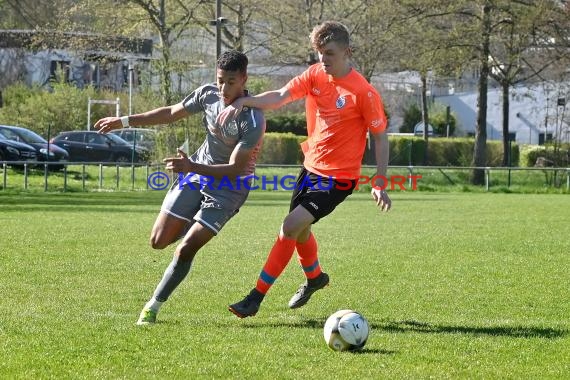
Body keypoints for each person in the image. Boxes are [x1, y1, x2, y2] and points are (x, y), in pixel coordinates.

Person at [216, 21, 392, 319]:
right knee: (300, 232)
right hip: (310, 168)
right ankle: (315, 278)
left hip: (338, 178)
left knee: (289, 226)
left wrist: (379, 182)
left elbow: (380, 136)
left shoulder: (364, 92)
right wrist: (246, 100)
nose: (323, 59)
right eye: (319, 52)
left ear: (347, 52)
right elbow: (281, 95)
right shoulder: (314, 75)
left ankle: (255, 297)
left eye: (330, 53)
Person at [94, 50, 265, 325]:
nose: (224, 88)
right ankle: (193, 221)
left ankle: (152, 307)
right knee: (158, 241)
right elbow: (172, 112)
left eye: (231, 82)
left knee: (186, 249)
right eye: (220, 80)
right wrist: (124, 122)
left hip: (229, 188)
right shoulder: (208, 95)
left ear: (244, 79)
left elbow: (234, 168)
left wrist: (190, 167)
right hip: (196, 173)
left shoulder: (253, 118)